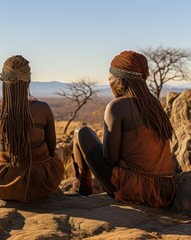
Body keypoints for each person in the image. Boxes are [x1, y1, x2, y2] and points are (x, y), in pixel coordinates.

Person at [72, 50, 178, 208]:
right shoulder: (154, 103)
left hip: (135, 188)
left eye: (110, 79)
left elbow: (110, 159)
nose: (109, 84)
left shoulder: (117, 106)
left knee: (81, 131)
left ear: (120, 80)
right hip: (164, 189)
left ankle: (82, 187)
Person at [0, 55, 64, 203]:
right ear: (28, 80)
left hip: (2, 185)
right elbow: (52, 150)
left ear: (3, 81)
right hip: (40, 184)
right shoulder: (43, 109)